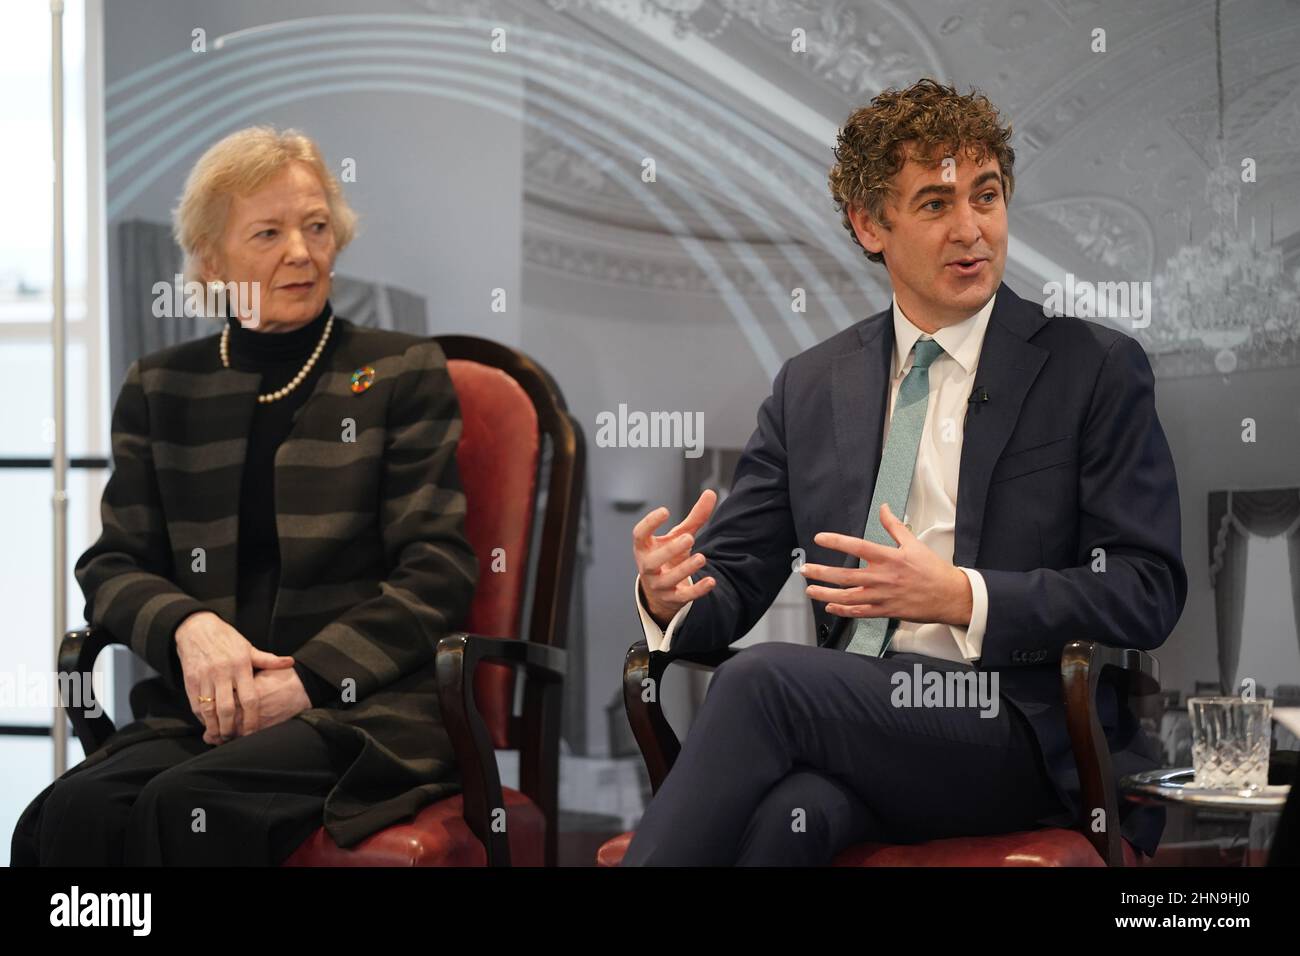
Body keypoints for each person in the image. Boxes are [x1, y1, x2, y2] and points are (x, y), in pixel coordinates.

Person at [622, 78, 1187, 866]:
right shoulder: (810, 386)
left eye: (986, 197)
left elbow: (1146, 587)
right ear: (869, 224)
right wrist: (667, 593)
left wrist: (962, 595)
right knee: (791, 820)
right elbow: (735, 580)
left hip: (1011, 726)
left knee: (759, 683)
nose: (972, 231)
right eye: (935, 205)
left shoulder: (1091, 368)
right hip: (857, 729)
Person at [11, 126, 479, 866]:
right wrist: (187, 626)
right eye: (268, 232)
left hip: (361, 713)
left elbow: (438, 570)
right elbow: (113, 564)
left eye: (317, 226)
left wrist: (309, 680)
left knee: (185, 804)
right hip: (204, 716)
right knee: (72, 811)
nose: (301, 250)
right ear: (209, 258)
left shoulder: (398, 371)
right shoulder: (163, 385)